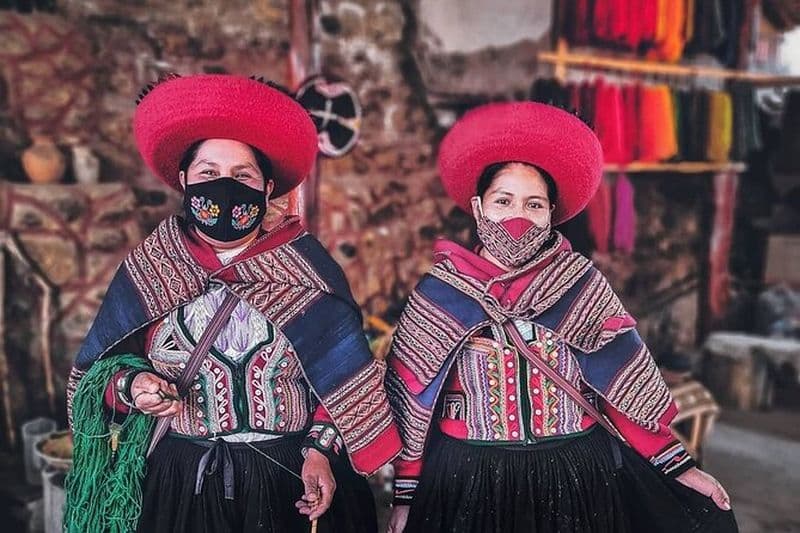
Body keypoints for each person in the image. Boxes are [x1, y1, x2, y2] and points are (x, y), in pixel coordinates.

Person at [64, 74, 400, 533]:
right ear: (184, 179)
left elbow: (345, 381)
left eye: (242, 176)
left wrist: (320, 452)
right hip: (180, 485)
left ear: (266, 188)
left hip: (290, 481)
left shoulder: (307, 270)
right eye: (208, 173)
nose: (225, 187)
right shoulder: (152, 268)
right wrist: (135, 385)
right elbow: (97, 379)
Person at [385, 102, 738, 533]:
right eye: (503, 201)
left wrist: (680, 467)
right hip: (468, 480)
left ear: (551, 213)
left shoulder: (579, 284)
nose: (518, 218)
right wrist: (406, 495)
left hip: (573, 476)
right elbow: (413, 402)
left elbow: (623, 388)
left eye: (534, 205)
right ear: (478, 208)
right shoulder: (440, 295)